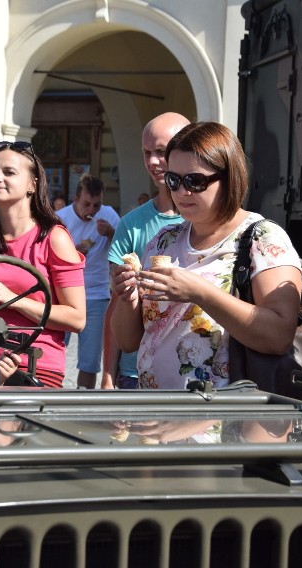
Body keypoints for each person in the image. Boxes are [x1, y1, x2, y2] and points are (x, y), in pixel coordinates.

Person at [110, 121, 302, 390]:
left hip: (220, 420)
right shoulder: (163, 240)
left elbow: (279, 336)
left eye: (195, 181)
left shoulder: (263, 238)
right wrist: (126, 296)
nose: (181, 192)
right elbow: (128, 341)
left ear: (228, 178)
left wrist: (199, 291)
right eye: (173, 181)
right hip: (153, 417)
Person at [0, 140, 86, 388]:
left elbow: (76, 318)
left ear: (32, 184)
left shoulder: (53, 239)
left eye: (8, 172)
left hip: (36, 368)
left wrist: (11, 298)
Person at [102, 112, 190, 389]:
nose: (153, 162)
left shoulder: (209, 224)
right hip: (137, 373)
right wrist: (107, 374)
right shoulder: (132, 225)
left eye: (162, 152)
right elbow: (116, 303)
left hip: (197, 375)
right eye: (147, 152)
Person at [56, 174, 120, 388]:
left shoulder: (109, 215)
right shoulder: (59, 218)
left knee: (90, 361)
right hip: (62, 295)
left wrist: (111, 233)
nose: (91, 210)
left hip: (96, 295)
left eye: (96, 204)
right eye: (86, 204)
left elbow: (124, 247)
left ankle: (83, 403)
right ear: (75, 199)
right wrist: (68, 253)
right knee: (53, 353)